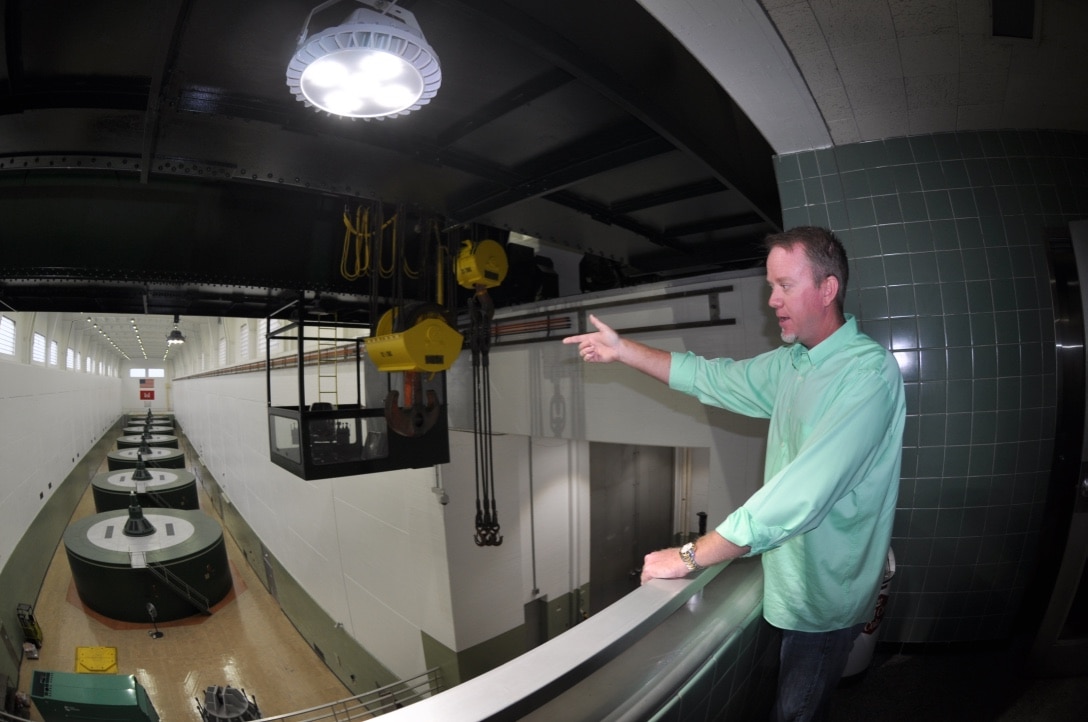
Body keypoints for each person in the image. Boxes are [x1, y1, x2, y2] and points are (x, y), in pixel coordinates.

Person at [563, 226, 905, 722]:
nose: (772, 300)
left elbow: (799, 497)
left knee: (797, 713)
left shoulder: (867, 375)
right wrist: (624, 351)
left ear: (827, 289)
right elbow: (712, 377)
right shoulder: (794, 364)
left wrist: (689, 556)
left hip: (826, 601)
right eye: (772, 286)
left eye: (784, 286)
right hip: (791, 584)